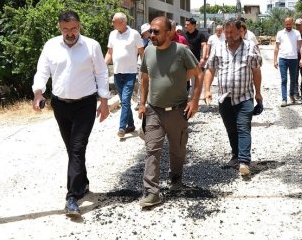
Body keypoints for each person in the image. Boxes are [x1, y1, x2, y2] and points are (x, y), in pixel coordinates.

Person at [32, 10, 110, 217]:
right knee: (72, 148)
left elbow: (101, 73)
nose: (70, 33)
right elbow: (42, 71)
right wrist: (38, 93)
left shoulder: (92, 46)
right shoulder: (51, 45)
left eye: (73, 28)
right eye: (66, 29)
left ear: (79, 27)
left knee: (77, 148)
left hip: (85, 105)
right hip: (61, 105)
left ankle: (72, 197)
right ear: (60, 28)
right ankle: (82, 183)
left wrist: (104, 102)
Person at [137, 16, 202, 207]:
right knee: (152, 151)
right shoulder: (148, 51)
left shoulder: (181, 51)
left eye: (156, 32)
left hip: (178, 111)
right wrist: (142, 104)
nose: (152, 35)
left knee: (178, 150)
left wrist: (195, 101)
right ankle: (151, 192)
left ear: (169, 33)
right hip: (154, 111)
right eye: (150, 31)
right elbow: (145, 78)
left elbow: (199, 74)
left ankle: (176, 180)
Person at [203, 18, 262, 177]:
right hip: (225, 98)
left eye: (231, 32)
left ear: (240, 31)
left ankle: (244, 161)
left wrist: (258, 93)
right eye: (226, 32)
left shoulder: (250, 47)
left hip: (245, 97)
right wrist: (207, 90)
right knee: (231, 129)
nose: (228, 35)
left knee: (243, 128)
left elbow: (256, 71)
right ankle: (235, 156)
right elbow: (210, 69)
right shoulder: (218, 47)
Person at [105, 13, 144, 138]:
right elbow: (109, 53)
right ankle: (131, 125)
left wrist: (144, 69)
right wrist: (102, 66)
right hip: (117, 73)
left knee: (125, 101)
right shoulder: (112, 34)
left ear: (122, 22)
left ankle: (122, 128)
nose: (112, 23)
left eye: (114, 21)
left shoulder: (134, 34)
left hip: (130, 73)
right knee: (124, 101)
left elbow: (141, 52)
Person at [274, 17, 302, 107]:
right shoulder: (280, 33)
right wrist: (275, 60)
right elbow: (276, 47)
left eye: (290, 24)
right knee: (284, 80)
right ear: (284, 24)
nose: (288, 26)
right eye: (287, 24)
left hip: (294, 59)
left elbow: (301, 46)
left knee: (293, 79)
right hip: (283, 59)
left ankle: (291, 94)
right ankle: (284, 99)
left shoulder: (296, 33)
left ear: (292, 24)